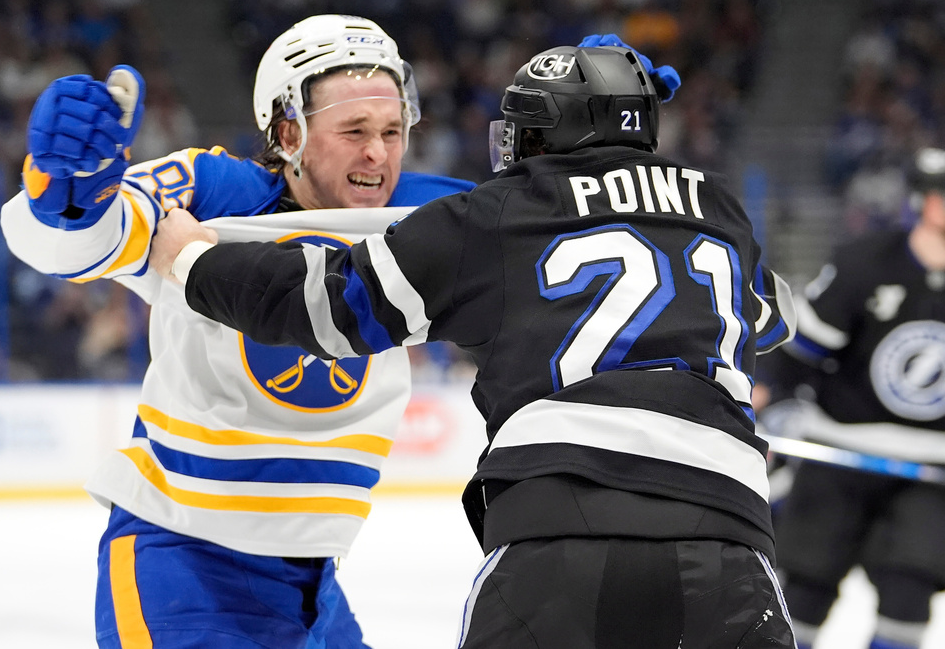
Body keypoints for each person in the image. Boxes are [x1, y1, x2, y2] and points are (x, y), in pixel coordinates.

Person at [150, 40, 799, 648]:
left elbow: (329, 309)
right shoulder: (719, 208)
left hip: (556, 537)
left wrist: (194, 265)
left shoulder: (503, 210)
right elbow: (774, 318)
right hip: (729, 538)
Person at [0, 14, 476, 649]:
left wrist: (596, 148)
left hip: (315, 590)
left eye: (393, 132)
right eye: (355, 131)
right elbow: (80, 243)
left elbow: (553, 230)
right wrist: (67, 196)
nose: (379, 154)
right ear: (288, 132)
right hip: (183, 572)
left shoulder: (425, 213)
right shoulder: (216, 191)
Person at [753, 147, 945, 649]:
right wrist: (764, 397)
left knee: (910, 590)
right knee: (807, 589)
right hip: (841, 450)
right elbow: (799, 351)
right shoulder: (866, 262)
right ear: (926, 201)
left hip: (930, 468)